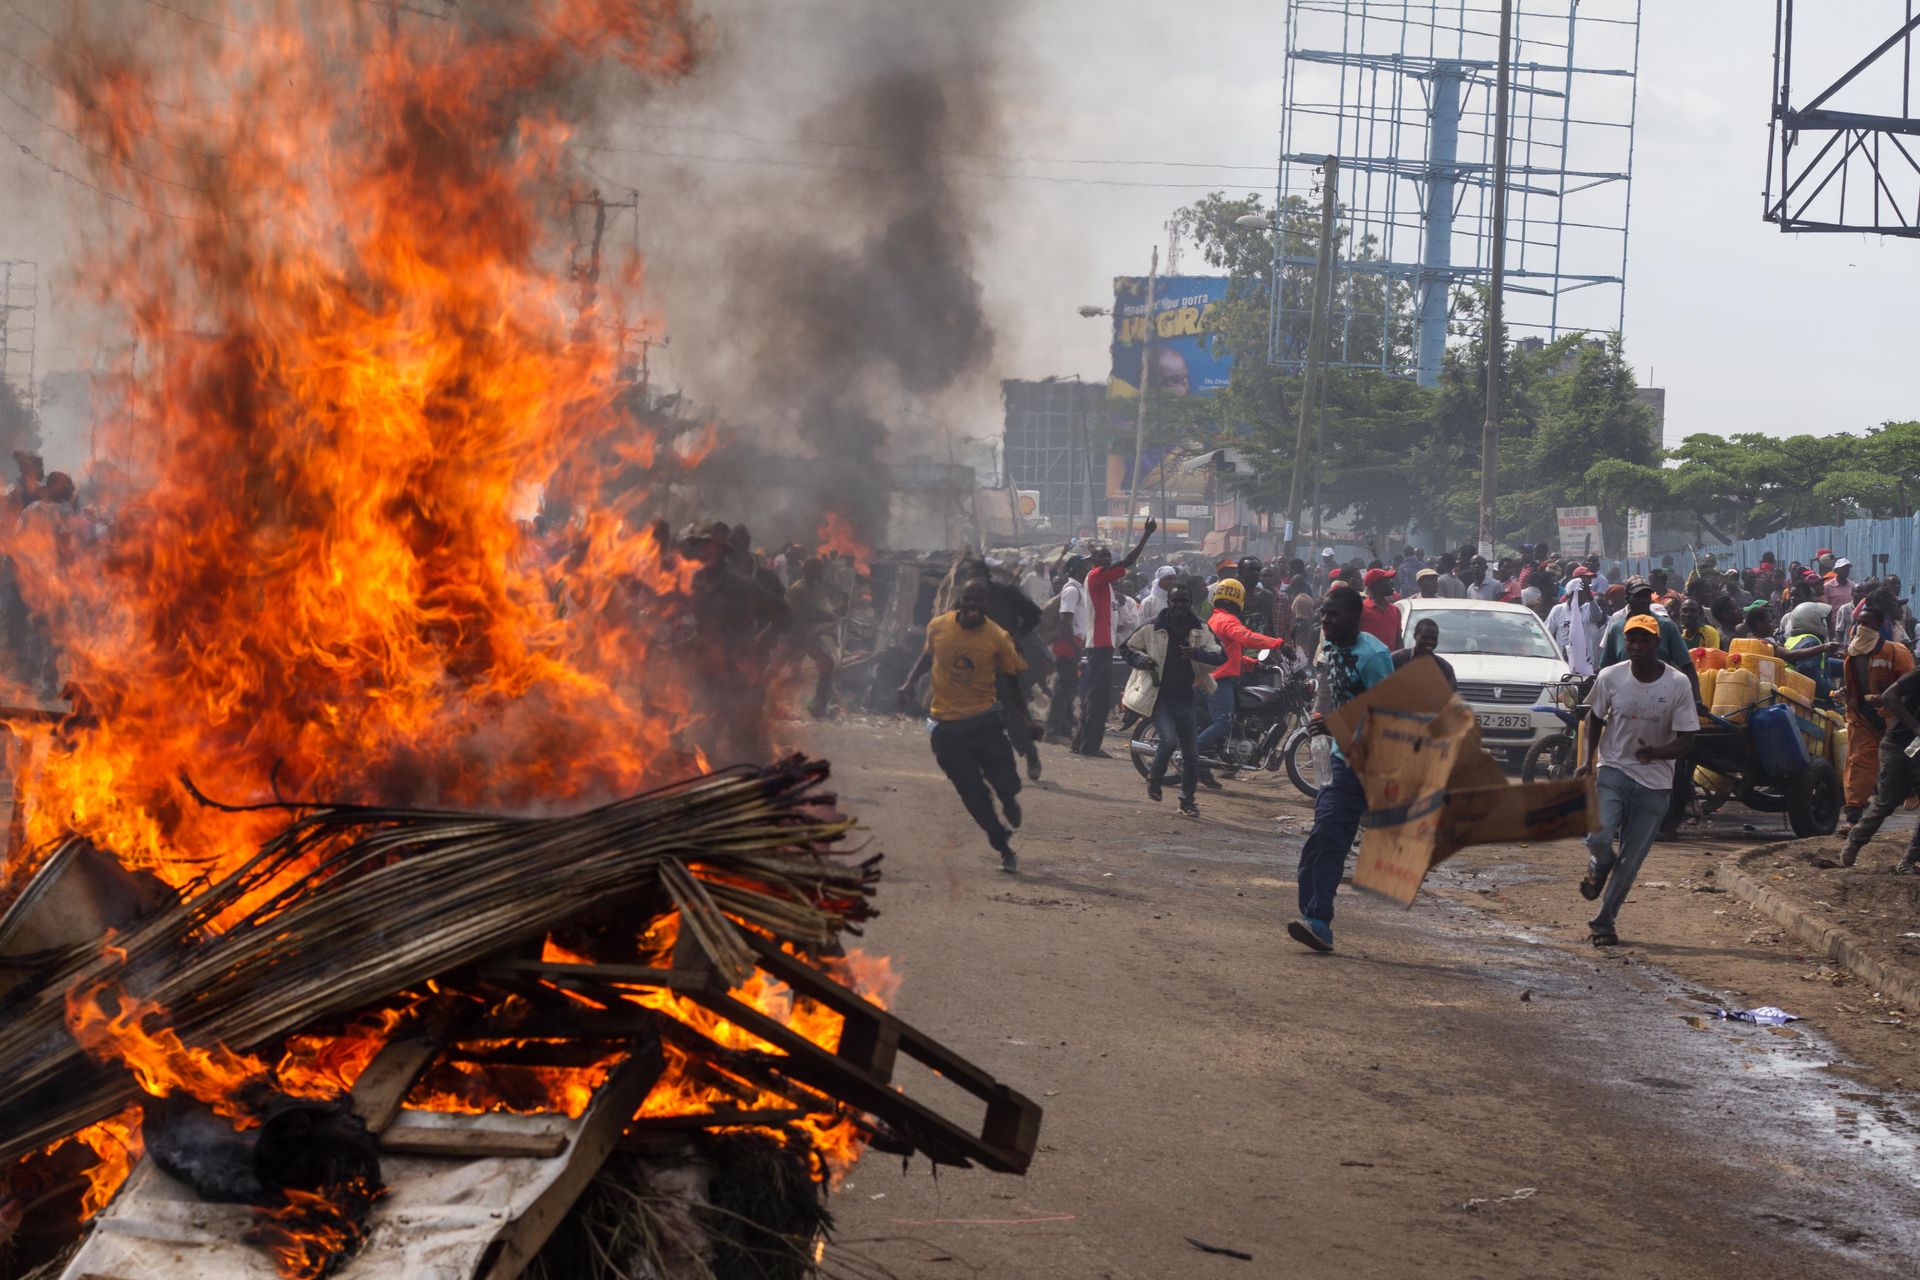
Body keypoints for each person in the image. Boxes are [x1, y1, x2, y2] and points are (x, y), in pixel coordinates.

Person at [1578, 614, 1700, 945]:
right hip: (1614, 768)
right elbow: (1594, 718)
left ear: (1656, 644)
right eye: (1631, 639)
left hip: (1656, 782)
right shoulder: (1610, 677)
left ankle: (1604, 923)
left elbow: (1688, 739)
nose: (1636, 646)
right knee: (1598, 838)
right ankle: (1601, 862)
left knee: (1631, 861)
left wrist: (1657, 753)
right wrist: (1587, 761)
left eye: (1644, 639)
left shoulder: (1677, 684)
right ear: (1624, 643)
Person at [1288, 586, 1395, 954]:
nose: (1324, 621)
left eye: (1332, 615)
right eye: (1322, 614)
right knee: (1324, 835)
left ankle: (1318, 918)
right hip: (1340, 759)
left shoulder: (1375, 657)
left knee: (1333, 835)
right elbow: (1328, 691)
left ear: (1354, 618)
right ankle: (1316, 918)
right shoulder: (1330, 647)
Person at [899, 580, 1028, 872]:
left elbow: (1012, 678)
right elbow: (927, 655)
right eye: (968, 599)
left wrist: (1024, 716)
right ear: (960, 602)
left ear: (985, 605)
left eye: (978, 601)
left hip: (985, 725)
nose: (973, 605)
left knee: (1007, 781)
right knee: (973, 794)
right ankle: (1002, 845)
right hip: (947, 730)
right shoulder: (938, 627)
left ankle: (1009, 799)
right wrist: (908, 683)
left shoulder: (997, 637)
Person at [1122, 581, 1226, 817]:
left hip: (1186, 697)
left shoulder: (1200, 629)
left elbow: (1221, 656)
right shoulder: (1153, 627)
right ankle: (1155, 776)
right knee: (1168, 741)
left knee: (1191, 755)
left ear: (1190, 604)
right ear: (1168, 602)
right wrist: (1142, 661)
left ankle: (1187, 801)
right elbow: (1127, 649)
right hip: (1159, 697)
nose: (1179, 605)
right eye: (1175, 601)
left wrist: (1196, 653)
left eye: (1184, 601)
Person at [1071, 520, 1156, 758]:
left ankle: (1081, 742)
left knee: (1095, 695)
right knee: (1098, 697)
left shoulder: (1099, 578)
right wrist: (1146, 535)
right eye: (1103, 558)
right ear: (1095, 562)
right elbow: (1128, 561)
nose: (1107, 562)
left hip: (1101, 645)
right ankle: (1090, 745)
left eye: (1109, 558)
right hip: (1099, 645)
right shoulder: (1097, 576)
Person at [1197, 577, 1287, 779]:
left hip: (1219, 677)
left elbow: (1230, 654)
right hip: (1217, 680)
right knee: (1224, 723)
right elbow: (1246, 637)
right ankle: (1188, 755)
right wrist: (1278, 644)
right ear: (1239, 599)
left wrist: (1255, 665)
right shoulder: (1227, 621)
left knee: (1235, 722)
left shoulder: (1216, 618)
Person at [1838, 603, 1914, 829]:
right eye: (1859, 623)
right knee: (1859, 761)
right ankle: (1853, 815)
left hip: (1896, 718)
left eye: (1867, 623)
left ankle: (1911, 793)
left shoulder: (1896, 652)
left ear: (1879, 626)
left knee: (1906, 760)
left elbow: (1910, 687)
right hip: (1862, 716)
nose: (1861, 627)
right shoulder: (1852, 655)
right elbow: (1852, 686)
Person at [1597, 577, 1698, 697]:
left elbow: (1686, 664)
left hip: (1661, 695)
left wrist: (1696, 699)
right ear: (1627, 599)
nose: (1644, 601)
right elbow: (1605, 669)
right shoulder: (1617, 627)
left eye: (1646, 596)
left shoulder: (1665, 626)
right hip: (1625, 696)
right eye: (1638, 597)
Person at [782, 557, 843, 719]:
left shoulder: (818, 589)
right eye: (815, 569)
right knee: (775, 669)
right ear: (807, 571)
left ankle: (819, 707)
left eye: (819, 569)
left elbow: (825, 608)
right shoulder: (798, 589)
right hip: (793, 636)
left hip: (810, 636)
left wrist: (835, 612)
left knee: (828, 664)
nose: (818, 573)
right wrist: (825, 617)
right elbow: (799, 615)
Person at [1546, 571, 1606, 675]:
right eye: (1582, 593)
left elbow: (1597, 616)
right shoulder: (1558, 610)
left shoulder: (1588, 608)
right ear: (1572, 594)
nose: (1585, 596)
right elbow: (1548, 632)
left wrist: (1591, 598)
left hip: (1585, 662)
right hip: (1564, 661)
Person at [1391, 616, 1456, 690]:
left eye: (1434, 638)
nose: (1430, 641)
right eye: (1426, 637)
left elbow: (1451, 697)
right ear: (1415, 636)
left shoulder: (1445, 668)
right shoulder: (1396, 660)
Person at [1359, 567, 1402, 649]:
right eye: (1387, 580)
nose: (1391, 583)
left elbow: (1398, 640)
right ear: (1376, 585)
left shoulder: (1395, 610)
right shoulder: (1362, 609)